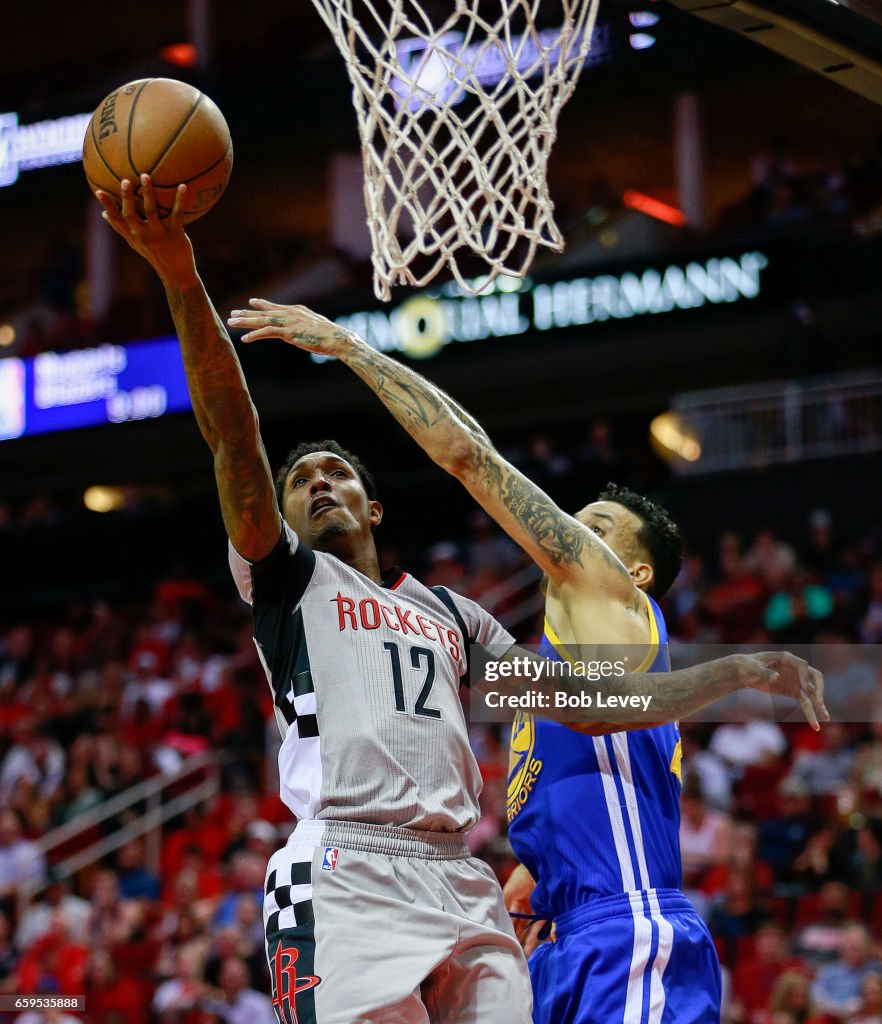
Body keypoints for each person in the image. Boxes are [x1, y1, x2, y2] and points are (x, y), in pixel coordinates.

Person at [97, 177, 825, 1024]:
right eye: (301, 480)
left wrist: (729, 670)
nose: (318, 483)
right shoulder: (286, 577)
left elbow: (590, 708)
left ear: (375, 509)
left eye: (337, 473)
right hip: (343, 866)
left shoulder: (453, 614)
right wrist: (183, 278)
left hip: (458, 879)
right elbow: (232, 434)